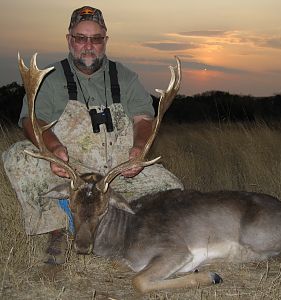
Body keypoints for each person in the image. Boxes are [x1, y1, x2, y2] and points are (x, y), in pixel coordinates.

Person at [2, 6, 183, 265]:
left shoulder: (124, 77)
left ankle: (125, 229)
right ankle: (58, 229)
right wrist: (53, 149)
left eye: (96, 39)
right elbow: (32, 120)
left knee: (173, 189)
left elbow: (144, 118)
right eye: (80, 38)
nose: (88, 45)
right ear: (69, 40)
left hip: (117, 171)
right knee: (18, 156)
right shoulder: (51, 78)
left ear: (105, 41)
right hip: (70, 169)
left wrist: (138, 150)